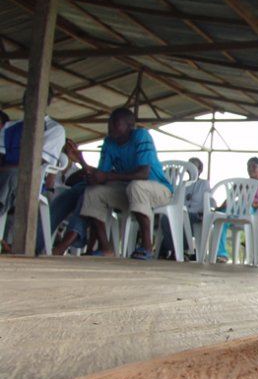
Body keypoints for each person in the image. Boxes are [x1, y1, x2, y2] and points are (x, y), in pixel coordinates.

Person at [79, 108, 172, 259]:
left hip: (159, 190)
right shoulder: (109, 142)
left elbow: (143, 174)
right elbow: (103, 174)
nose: (110, 128)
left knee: (136, 186)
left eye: (116, 124)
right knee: (93, 192)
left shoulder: (141, 136)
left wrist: (106, 176)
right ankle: (105, 248)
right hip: (130, 190)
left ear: (130, 126)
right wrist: (94, 176)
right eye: (109, 124)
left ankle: (147, 247)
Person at [0, 88, 66, 252]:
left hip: (32, 181)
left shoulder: (54, 129)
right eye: (27, 98)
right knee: (8, 175)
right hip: (6, 177)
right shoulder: (9, 126)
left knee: (12, 174)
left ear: (47, 103)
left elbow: (37, 163)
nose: (30, 102)